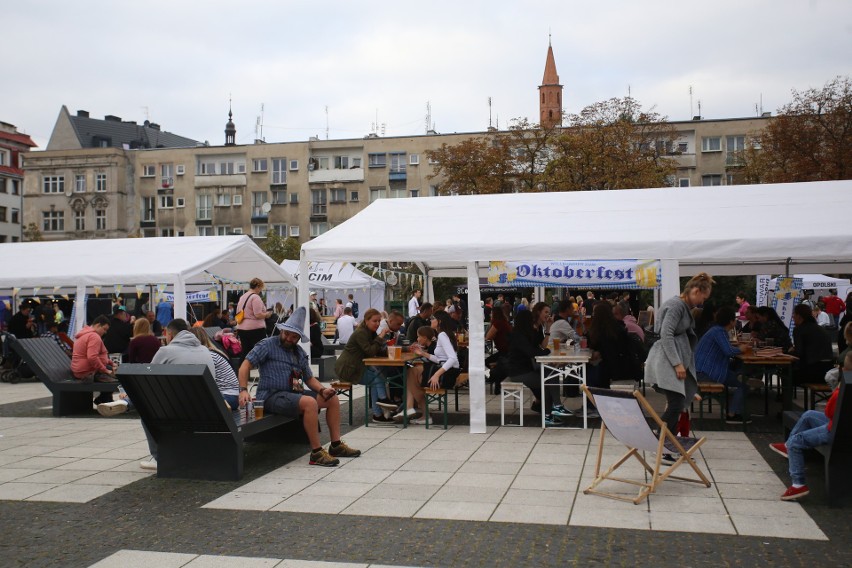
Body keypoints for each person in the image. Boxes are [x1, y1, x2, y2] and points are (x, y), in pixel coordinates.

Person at [239, 307, 360, 467]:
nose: (289, 338)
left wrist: (323, 390)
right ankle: (316, 453)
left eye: (294, 336)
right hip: (271, 396)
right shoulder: (268, 345)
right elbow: (245, 366)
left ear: (298, 337)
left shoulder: (299, 352)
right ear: (282, 330)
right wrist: (243, 390)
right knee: (309, 403)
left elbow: (309, 378)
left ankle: (336, 445)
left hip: (293, 394)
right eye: (287, 334)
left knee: (332, 399)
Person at [769, 351, 852, 501]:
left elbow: (829, 411)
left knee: (796, 442)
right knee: (808, 415)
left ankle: (798, 484)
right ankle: (787, 446)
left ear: (844, 370)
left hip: (837, 430)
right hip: (843, 424)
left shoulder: (843, 389)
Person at [138, 318, 216, 471]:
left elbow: (149, 380)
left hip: (180, 411)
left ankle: (159, 457)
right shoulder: (204, 350)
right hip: (209, 409)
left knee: (146, 411)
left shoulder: (166, 351)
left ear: (170, 335)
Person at [645, 272, 715, 436]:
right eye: (703, 298)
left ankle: (667, 441)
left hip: (668, 359)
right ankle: (660, 439)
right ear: (696, 291)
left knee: (676, 403)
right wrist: (677, 364)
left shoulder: (681, 306)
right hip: (667, 361)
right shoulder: (677, 306)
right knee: (676, 404)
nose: (702, 302)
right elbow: (666, 334)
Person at [397, 311, 461, 423]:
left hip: (447, 374)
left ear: (439, 321)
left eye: (433, 319)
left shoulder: (442, 335)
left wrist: (436, 374)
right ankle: (414, 410)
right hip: (448, 370)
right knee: (412, 373)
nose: (430, 320)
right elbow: (441, 358)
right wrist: (423, 353)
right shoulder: (444, 334)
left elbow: (452, 359)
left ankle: (414, 410)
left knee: (411, 375)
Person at [334, 308, 395, 423]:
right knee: (377, 379)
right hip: (347, 368)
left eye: (378, 321)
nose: (377, 324)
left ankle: (378, 413)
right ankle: (383, 402)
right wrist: (380, 336)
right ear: (366, 321)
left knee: (379, 375)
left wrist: (392, 351)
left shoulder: (369, 332)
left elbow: (376, 349)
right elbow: (370, 351)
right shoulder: (361, 332)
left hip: (357, 365)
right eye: (374, 321)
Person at [505, 310, 563, 425]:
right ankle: (549, 414)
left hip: (524, 369)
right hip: (519, 372)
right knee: (546, 383)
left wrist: (546, 329)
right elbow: (532, 352)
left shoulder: (521, 333)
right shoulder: (518, 336)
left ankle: (554, 407)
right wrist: (547, 351)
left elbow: (537, 346)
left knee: (551, 373)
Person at [695, 306, 750, 424]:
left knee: (737, 373)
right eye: (734, 320)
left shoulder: (716, 330)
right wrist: (741, 349)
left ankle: (735, 409)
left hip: (703, 370)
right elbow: (728, 351)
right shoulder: (719, 331)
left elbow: (726, 349)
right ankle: (732, 414)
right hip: (707, 373)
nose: (735, 322)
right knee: (744, 384)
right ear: (730, 321)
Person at [588, 302, 641, 394]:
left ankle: (591, 402)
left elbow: (601, 351)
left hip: (614, 369)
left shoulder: (603, 331)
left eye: (594, 313)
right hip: (625, 366)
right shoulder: (617, 327)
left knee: (589, 370)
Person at [70, 315, 117, 407]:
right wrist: (105, 370)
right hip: (87, 371)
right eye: (104, 329)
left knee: (111, 370)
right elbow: (92, 357)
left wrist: (110, 363)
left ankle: (105, 399)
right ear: (98, 325)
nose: (105, 332)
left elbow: (98, 356)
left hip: (80, 369)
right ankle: (104, 399)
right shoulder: (94, 336)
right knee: (116, 376)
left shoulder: (85, 333)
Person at [789, 303, 834, 386]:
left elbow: (799, 354)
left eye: (794, 314)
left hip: (811, 372)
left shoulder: (799, 330)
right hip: (828, 371)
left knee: (786, 372)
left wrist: (789, 352)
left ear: (799, 316)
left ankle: (785, 397)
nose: (793, 317)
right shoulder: (820, 329)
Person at [235, 278, 273, 361]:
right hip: (255, 329)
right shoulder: (255, 297)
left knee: (245, 352)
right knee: (261, 351)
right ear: (258, 286)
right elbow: (258, 314)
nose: (260, 290)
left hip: (241, 328)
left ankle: (241, 372)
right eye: (261, 288)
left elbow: (238, 311)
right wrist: (267, 314)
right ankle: (263, 371)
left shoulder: (242, 297)